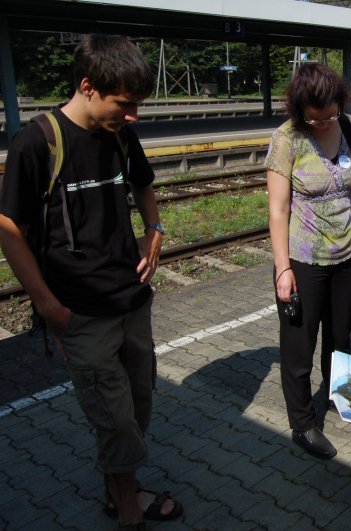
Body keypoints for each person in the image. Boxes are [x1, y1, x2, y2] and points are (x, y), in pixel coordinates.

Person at [0, 35, 181, 529]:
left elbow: (142, 183)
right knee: (114, 417)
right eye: (125, 104)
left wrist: (154, 232)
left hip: (133, 301)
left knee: (139, 403)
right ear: (88, 86)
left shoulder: (119, 133)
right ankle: (128, 512)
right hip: (80, 312)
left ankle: (116, 487)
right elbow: (9, 228)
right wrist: (49, 308)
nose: (133, 115)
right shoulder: (36, 142)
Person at [266, 63, 351, 459]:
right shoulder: (288, 139)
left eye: (331, 113)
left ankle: (339, 396)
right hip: (304, 258)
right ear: (300, 110)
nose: (326, 122)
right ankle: (302, 424)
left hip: (349, 250)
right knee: (299, 345)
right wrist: (283, 269)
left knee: (341, 336)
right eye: (317, 117)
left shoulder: (350, 126)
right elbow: (278, 210)